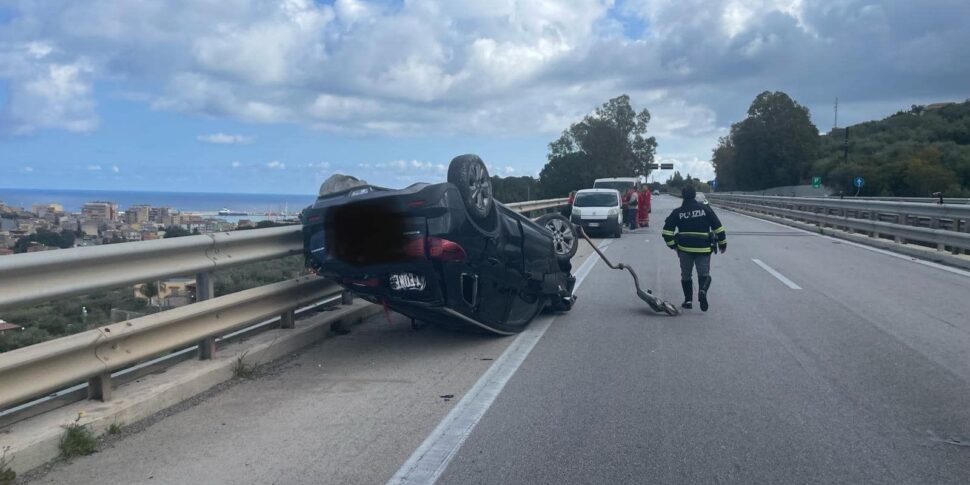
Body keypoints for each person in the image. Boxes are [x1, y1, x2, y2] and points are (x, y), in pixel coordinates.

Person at [661, 186, 727, 311]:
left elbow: (666, 232)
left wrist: (673, 246)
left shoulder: (678, 212)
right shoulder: (705, 209)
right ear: (694, 195)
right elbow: (718, 227)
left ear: (682, 196)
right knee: (704, 274)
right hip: (703, 249)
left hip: (685, 249)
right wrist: (723, 243)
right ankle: (702, 290)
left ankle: (688, 301)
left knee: (686, 275)